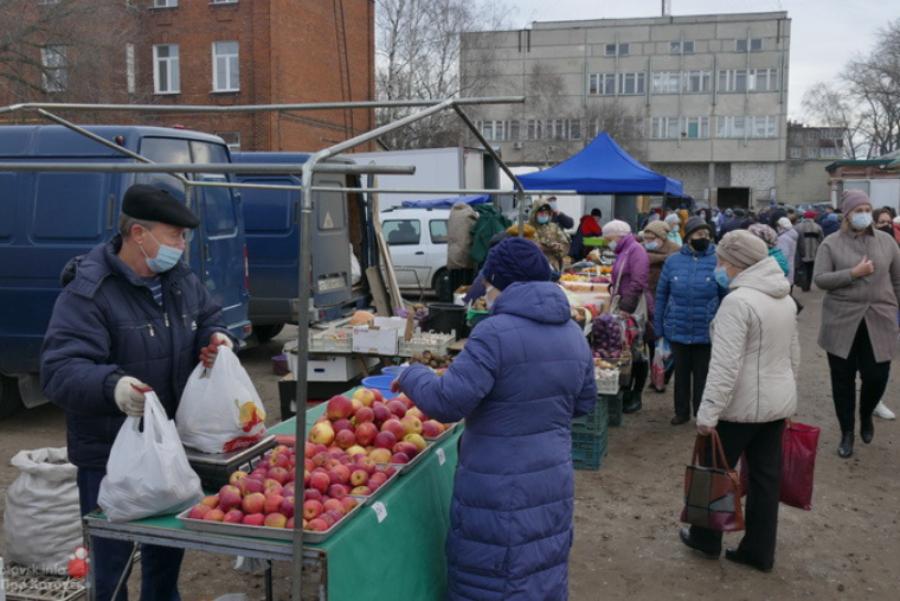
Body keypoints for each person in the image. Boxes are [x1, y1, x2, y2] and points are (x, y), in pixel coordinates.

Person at [41, 184, 233, 601]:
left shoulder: (179, 279)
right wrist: (114, 386)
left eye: (184, 237)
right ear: (138, 234)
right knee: (112, 568)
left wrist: (216, 336)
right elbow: (59, 369)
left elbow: (207, 316)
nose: (182, 245)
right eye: (174, 235)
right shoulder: (89, 291)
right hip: (110, 456)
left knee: (165, 559)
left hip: (168, 450)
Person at [392, 237, 596, 601]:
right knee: (540, 570)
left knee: (492, 577)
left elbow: (447, 401)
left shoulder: (493, 333)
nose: (484, 291)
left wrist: (411, 374)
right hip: (552, 480)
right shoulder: (573, 334)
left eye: (487, 283)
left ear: (500, 282)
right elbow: (583, 404)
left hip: (497, 486)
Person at [679, 230, 799, 573]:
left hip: (739, 407)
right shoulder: (785, 297)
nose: (719, 266)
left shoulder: (738, 302)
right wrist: (791, 399)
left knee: (712, 472)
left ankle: (705, 539)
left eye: (722, 261)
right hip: (775, 405)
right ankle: (759, 551)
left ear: (737, 263)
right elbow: (794, 353)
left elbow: (724, 365)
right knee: (764, 480)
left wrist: (707, 414)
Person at [814, 190, 900, 458]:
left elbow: (897, 280)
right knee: (843, 380)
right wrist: (852, 274)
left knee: (877, 375)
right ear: (847, 214)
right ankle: (847, 432)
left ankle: (866, 414)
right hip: (842, 321)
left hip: (879, 318)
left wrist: (894, 308)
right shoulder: (831, 243)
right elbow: (820, 279)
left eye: (867, 208)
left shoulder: (887, 242)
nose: (864, 214)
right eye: (858, 210)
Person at [655, 217, 724, 425]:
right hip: (678, 326)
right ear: (688, 237)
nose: (704, 238)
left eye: (707, 235)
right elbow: (662, 295)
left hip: (706, 327)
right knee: (681, 374)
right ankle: (681, 411)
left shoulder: (718, 259)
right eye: (699, 234)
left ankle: (701, 413)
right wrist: (659, 327)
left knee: (703, 375)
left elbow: (725, 295)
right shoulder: (673, 261)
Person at [605, 220, 652, 414]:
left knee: (637, 350)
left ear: (618, 235)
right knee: (627, 349)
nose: (607, 242)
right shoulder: (624, 251)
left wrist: (626, 307)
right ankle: (626, 390)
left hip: (633, 307)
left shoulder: (635, 250)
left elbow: (638, 280)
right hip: (625, 302)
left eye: (608, 238)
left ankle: (636, 394)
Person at [530, 202, 570, 271]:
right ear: (534, 214)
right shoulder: (528, 228)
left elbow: (565, 245)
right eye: (541, 213)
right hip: (534, 266)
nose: (544, 215)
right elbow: (526, 246)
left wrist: (558, 247)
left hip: (553, 267)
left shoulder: (554, 227)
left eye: (546, 213)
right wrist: (543, 247)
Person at [794, 211, 824, 292]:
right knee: (810, 270)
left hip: (801, 253)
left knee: (803, 269)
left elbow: (795, 239)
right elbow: (821, 240)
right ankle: (808, 285)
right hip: (814, 253)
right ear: (813, 217)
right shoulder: (817, 227)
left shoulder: (797, 227)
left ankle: (803, 285)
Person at [775, 217, 798, 285]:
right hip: (790, 267)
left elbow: (783, 255)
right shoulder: (791, 235)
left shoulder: (783, 238)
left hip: (784, 270)